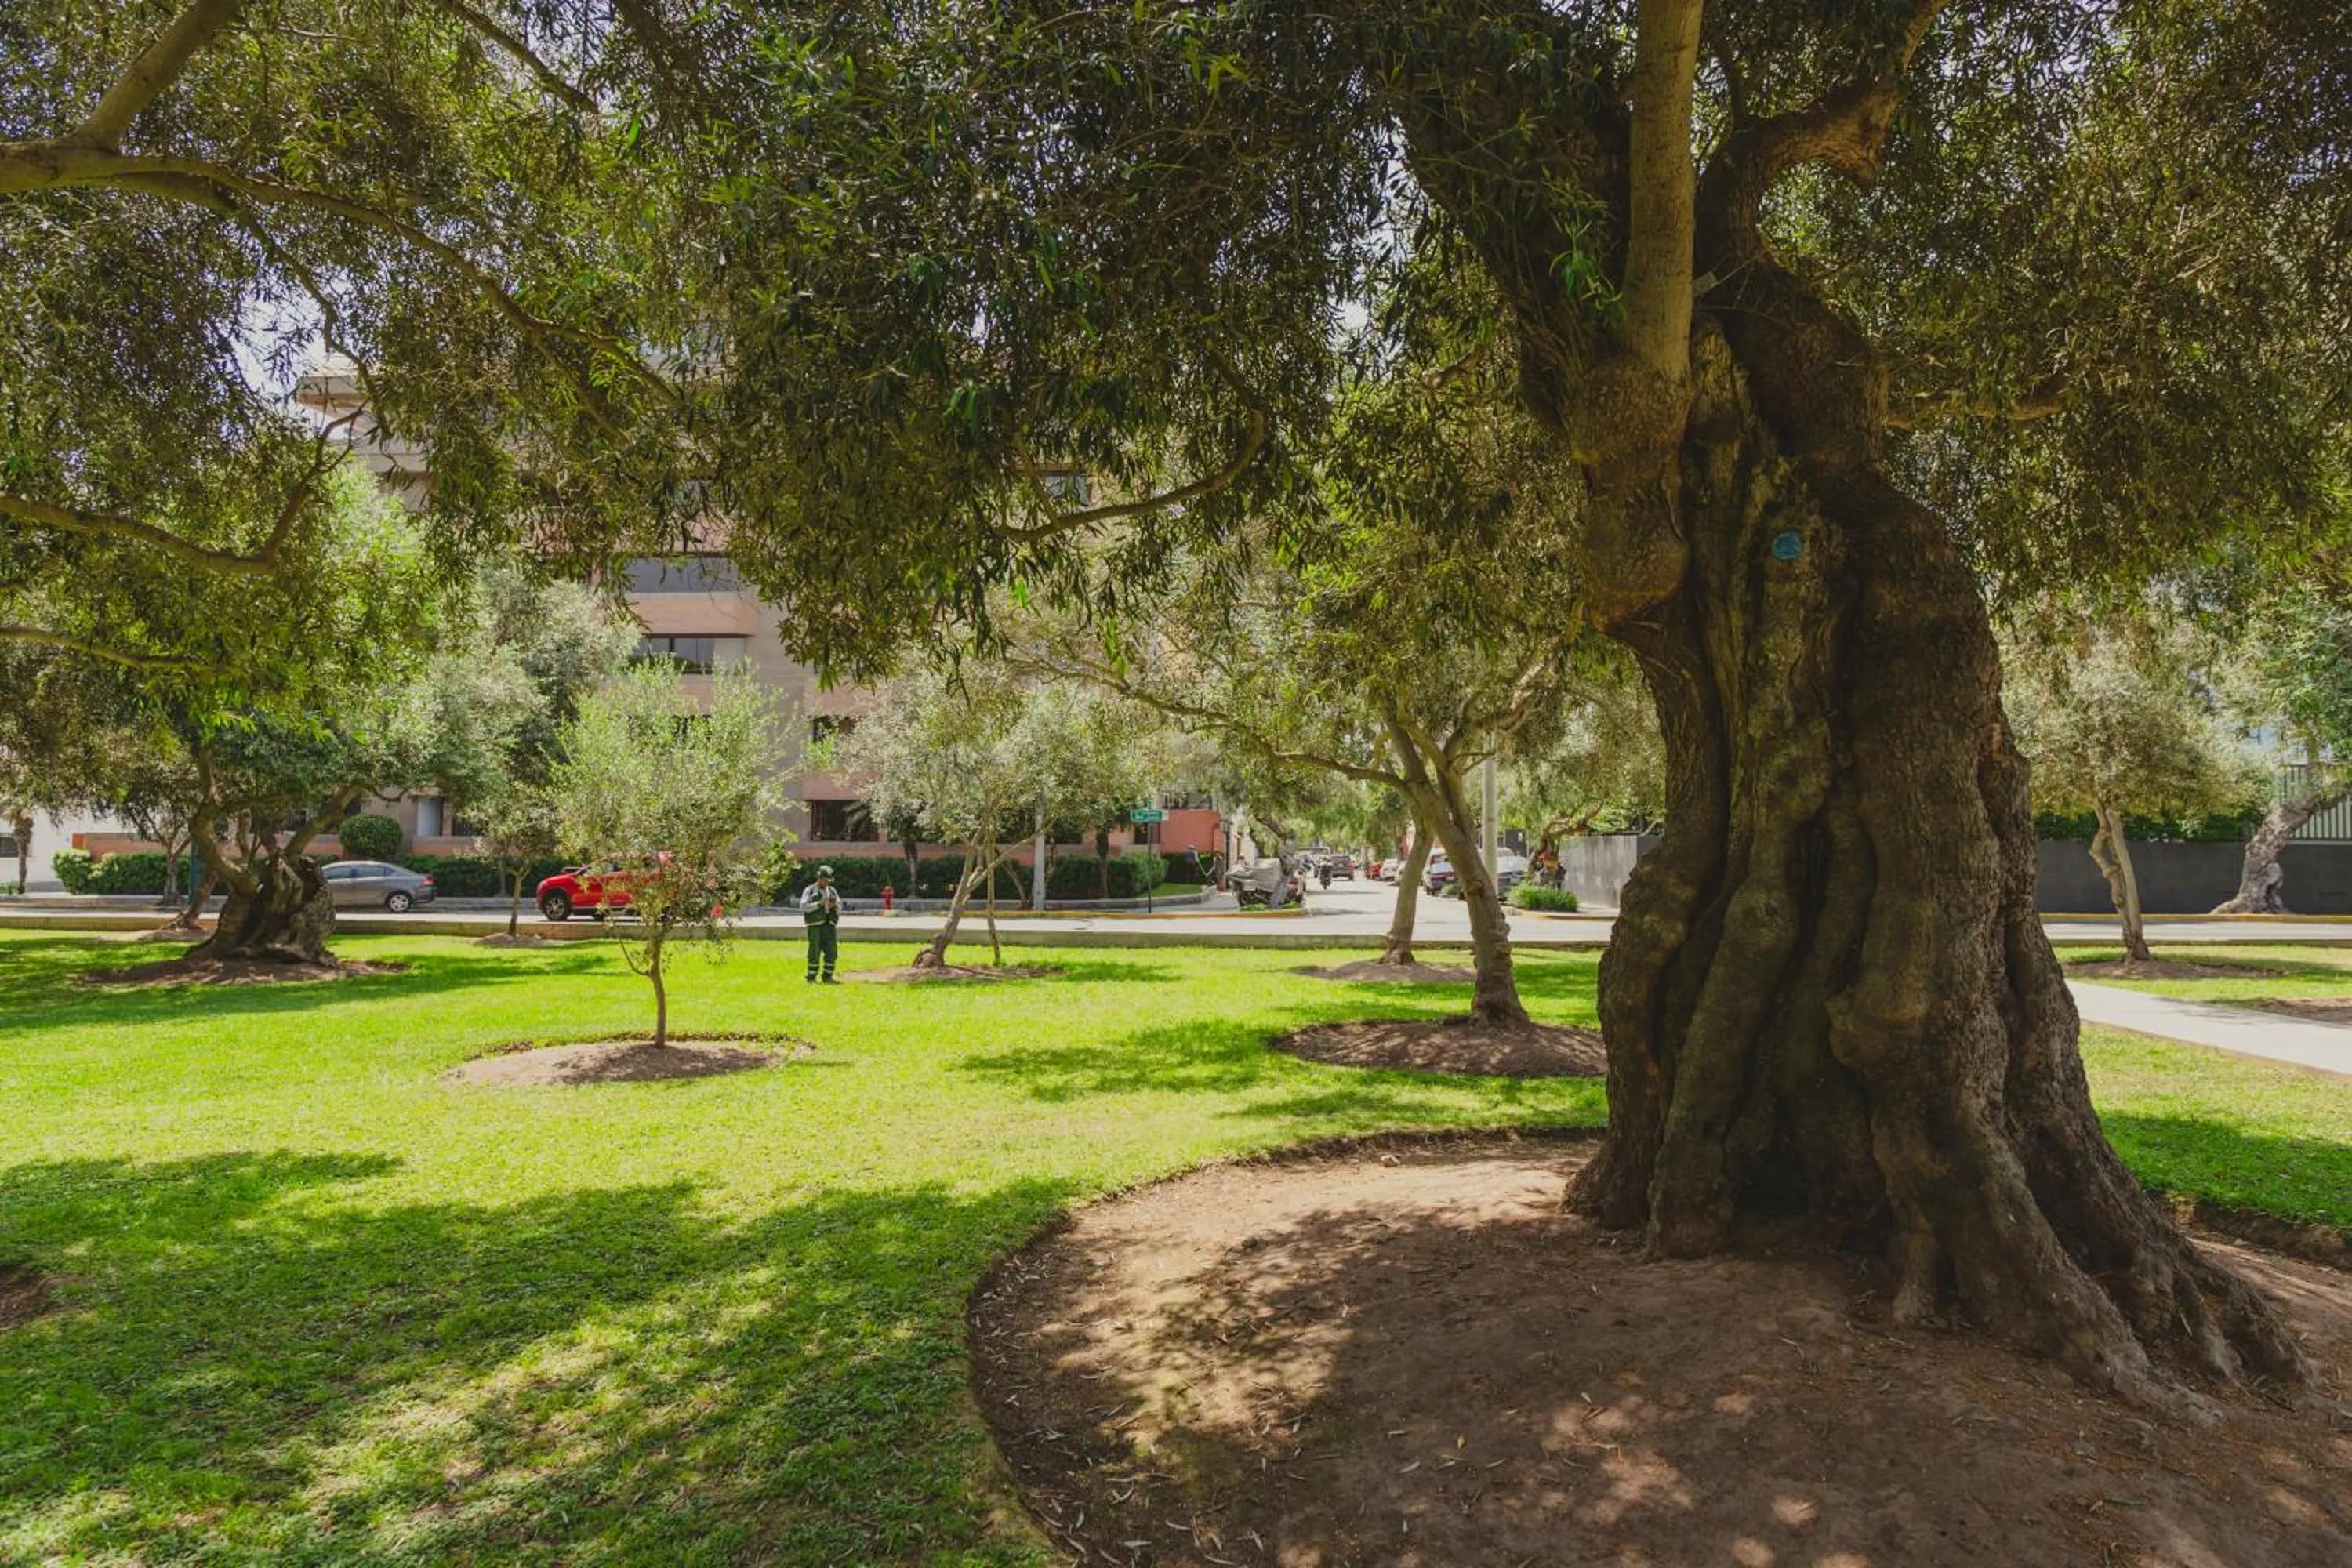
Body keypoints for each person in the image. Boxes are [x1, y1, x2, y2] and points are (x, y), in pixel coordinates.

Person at [799, 865, 842, 982]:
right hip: (815, 925)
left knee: (832, 951)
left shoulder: (832, 890)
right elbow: (803, 907)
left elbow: (840, 906)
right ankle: (811, 977)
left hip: (830, 924)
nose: (827, 882)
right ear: (819, 878)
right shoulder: (810, 890)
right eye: (825, 879)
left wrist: (835, 906)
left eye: (828, 880)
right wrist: (819, 904)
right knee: (814, 951)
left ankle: (827, 976)